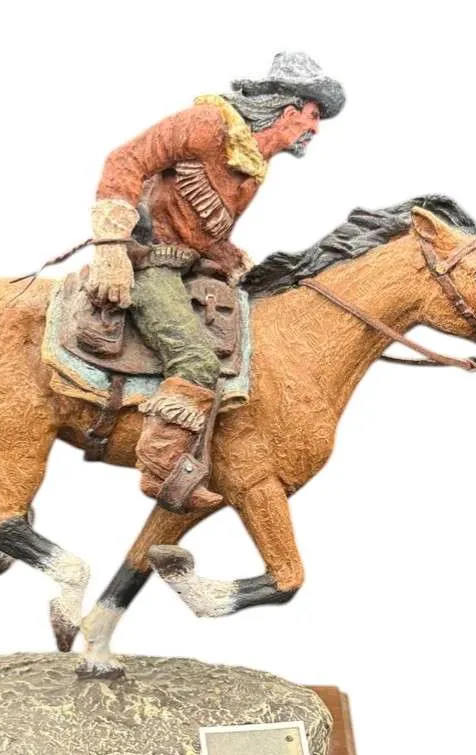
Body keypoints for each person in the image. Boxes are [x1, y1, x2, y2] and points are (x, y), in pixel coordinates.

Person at [86, 52, 345, 508]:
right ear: (288, 110)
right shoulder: (206, 123)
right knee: (197, 361)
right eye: (312, 115)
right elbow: (125, 161)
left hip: (193, 266)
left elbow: (203, 231)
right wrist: (110, 248)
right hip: (150, 262)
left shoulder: (253, 165)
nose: (315, 129)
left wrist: (232, 258)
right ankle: (162, 468)